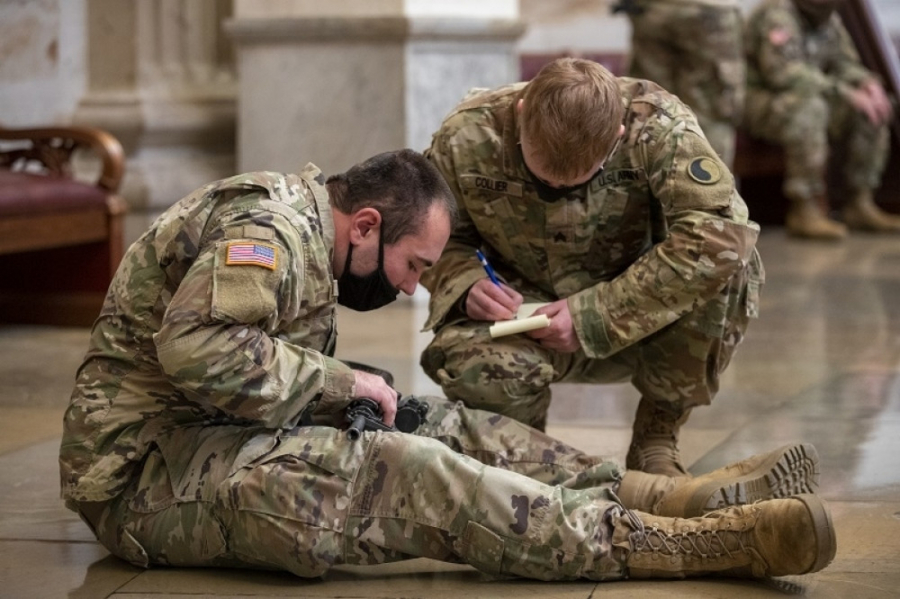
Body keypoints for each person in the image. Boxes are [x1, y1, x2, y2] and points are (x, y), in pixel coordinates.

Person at [59, 149, 834, 581]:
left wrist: (357, 392)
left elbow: (254, 366)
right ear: (366, 224)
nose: (409, 289)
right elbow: (195, 348)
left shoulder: (313, 238)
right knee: (399, 467)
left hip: (214, 431)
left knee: (440, 421)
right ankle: (673, 544)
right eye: (413, 265)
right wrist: (341, 382)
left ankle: (661, 494)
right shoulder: (268, 230)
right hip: (140, 473)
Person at [419, 57, 764, 477]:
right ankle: (523, 456)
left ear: (617, 136)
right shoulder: (468, 135)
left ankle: (656, 436)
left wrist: (594, 314)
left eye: (579, 176)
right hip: (521, 319)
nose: (557, 187)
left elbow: (721, 235)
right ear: (522, 114)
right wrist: (465, 281)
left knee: (731, 267)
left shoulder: (659, 128)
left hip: (638, 318)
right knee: (476, 367)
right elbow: (428, 235)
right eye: (543, 172)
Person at [743, 0, 900, 239]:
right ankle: (804, 208)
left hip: (808, 96)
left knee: (872, 108)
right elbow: (784, 74)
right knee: (810, 109)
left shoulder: (827, 18)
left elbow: (844, 63)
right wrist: (846, 93)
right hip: (759, 100)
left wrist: (866, 83)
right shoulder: (776, 14)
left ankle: (859, 203)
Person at [618, 0, 745, 167]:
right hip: (705, 10)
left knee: (649, 105)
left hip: (652, 9)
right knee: (711, 111)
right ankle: (708, 179)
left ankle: (643, 180)